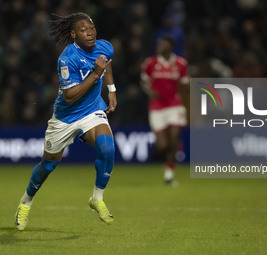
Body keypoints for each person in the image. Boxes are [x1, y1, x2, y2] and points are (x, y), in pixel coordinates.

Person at [15, 12, 117, 230]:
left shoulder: (105, 46)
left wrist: (111, 89)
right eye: (83, 30)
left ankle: (97, 198)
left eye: (91, 28)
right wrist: (94, 74)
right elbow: (70, 96)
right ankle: (26, 201)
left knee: (107, 148)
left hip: (92, 111)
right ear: (73, 34)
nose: (89, 32)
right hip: (66, 117)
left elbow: (106, 63)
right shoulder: (66, 58)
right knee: (48, 166)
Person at [141, 35, 189, 184]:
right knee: (163, 145)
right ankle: (170, 155)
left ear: (170, 47)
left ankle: (169, 174)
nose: (159, 47)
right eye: (159, 44)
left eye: (162, 44)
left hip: (175, 104)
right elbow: (144, 82)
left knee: (174, 139)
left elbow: (185, 84)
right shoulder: (150, 63)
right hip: (157, 107)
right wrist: (149, 92)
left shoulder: (181, 64)